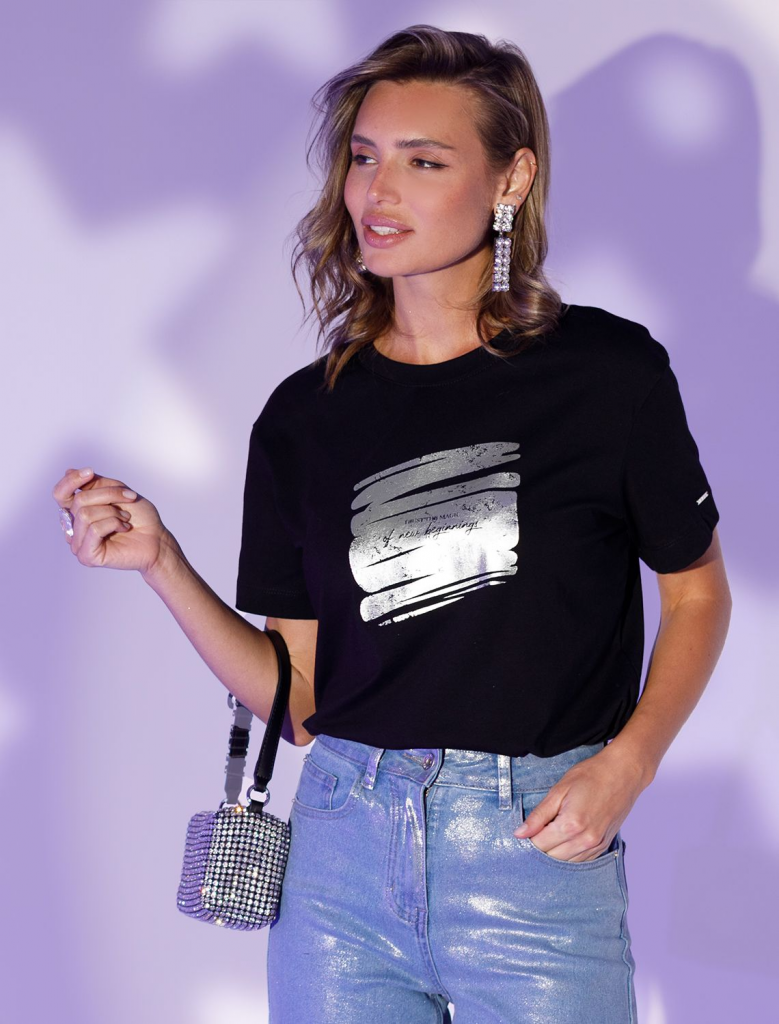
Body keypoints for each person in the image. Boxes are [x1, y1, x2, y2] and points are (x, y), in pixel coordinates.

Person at [52, 24, 732, 1024]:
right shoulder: (304, 417)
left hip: (535, 856)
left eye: (424, 161)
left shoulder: (606, 376)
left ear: (509, 180)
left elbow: (696, 593)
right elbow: (299, 700)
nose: (377, 191)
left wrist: (625, 765)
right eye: (364, 157)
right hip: (339, 865)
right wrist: (163, 563)